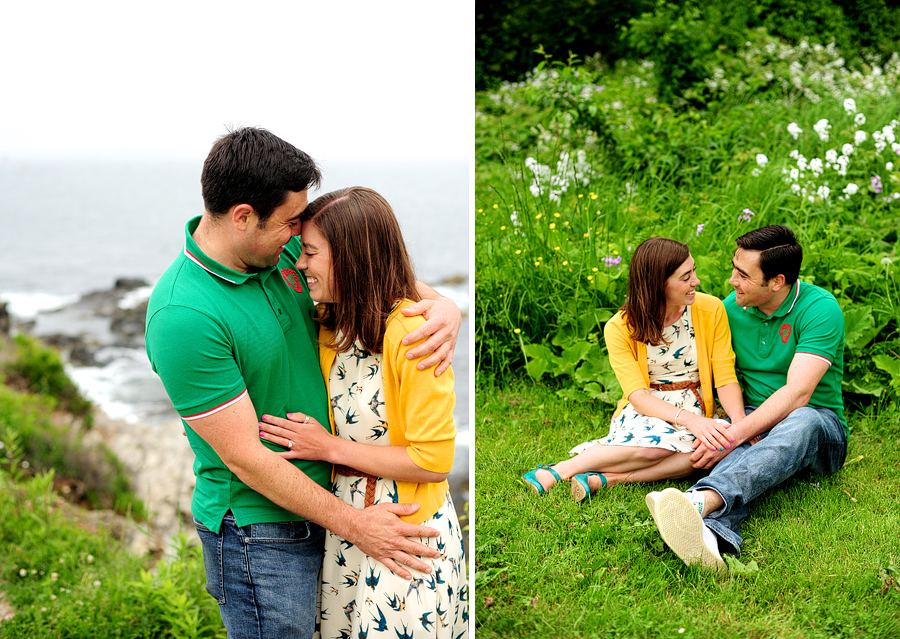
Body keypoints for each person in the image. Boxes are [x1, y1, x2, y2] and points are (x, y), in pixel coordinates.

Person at [144, 128, 462, 639]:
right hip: (260, 533)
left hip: (331, 505)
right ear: (244, 216)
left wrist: (445, 308)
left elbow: (374, 274)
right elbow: (245, 456)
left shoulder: (278, 254)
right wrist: (356, 525)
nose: (298, 235)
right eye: (290, 222)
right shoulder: (184, 315)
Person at [257, 186, 468, 638]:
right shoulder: (331, 321)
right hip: (346, 531)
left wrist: (328, 447)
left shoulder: (413, 335)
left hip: (406, 540)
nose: (300, 263)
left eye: (311, 253)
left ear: (351, 258)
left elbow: (433, 461)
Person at [648, 224, 847, 571]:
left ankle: (700, 499)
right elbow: (719, 374)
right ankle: (713, 535)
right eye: (733, 269)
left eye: (742, 275)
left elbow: (798, 394)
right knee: (737, 447)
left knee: (799, 421)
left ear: (776, 281)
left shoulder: (820, 309)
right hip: (752, 418)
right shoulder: (730, 309)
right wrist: (734, 424)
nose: (731, 281)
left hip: (819, 428)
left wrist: (734, 433)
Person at [522, 237, 745, 502]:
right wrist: (690, 420)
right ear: (658, 285)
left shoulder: (710, 308)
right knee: (655, 450)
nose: (696, 281)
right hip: (649, 406)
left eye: (693, 271)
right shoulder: (619, 327)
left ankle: (605, 480)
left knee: (704, 452)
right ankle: (559, 470)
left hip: (695, 404)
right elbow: (638, 396)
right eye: (686, 277)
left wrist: (740, 424)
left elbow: (725, 375)